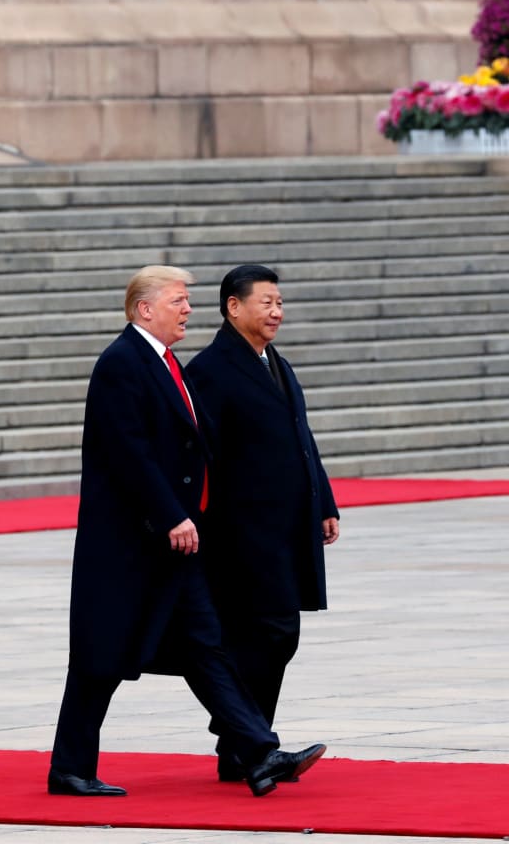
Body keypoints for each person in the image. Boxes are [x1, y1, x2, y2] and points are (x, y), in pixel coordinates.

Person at [49, 265, 327, 799]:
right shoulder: (121, 364)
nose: (187, 309)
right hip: (131, 544)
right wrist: (172, 514)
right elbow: (129, 453)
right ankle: (69, 768)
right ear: (144, 308)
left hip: (175, 544)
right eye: (178, 300)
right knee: (98, 659)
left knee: (206, 645)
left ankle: (258, 752)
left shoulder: (166, 362)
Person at [185, 264, 340, 783]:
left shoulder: (275, 362)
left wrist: (324, 501)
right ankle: (248, 744)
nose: (277, 312)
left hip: (287, 526)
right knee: (271, 632)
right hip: (242, 534)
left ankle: (241, 746)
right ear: (234, 307)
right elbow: (201, 458)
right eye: (266, 302)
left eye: (279, 302)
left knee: (274, 636)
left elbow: (302, 437)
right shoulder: (210, 370)